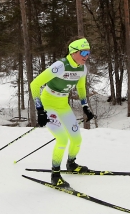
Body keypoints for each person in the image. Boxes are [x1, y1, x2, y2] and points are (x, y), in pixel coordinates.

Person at [30, 37, 95, 188]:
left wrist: (85, 106)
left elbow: (80, 88)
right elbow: (35, 84)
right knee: (62, 139)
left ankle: (71, 164)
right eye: (83, 52)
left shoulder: (82, 68)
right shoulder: (60, 66)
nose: (86, 56)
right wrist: (40, 110)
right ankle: (55, 175)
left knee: (76, 139)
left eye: (88, 52)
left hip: (63, 104)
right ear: (73, 53)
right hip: (48, 104)